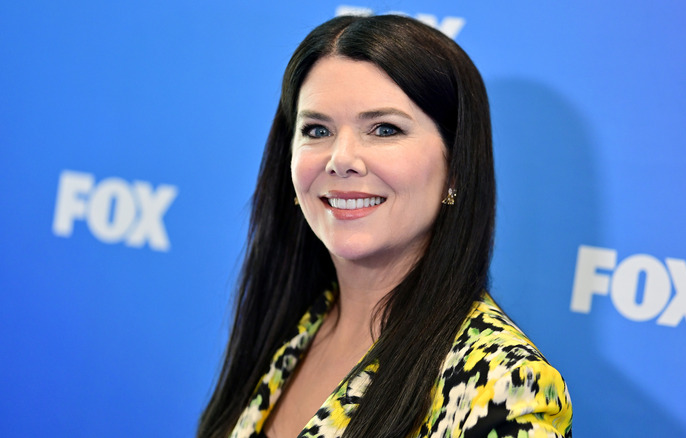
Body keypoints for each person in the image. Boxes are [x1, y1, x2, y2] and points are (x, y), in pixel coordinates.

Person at [198, 14, 572, 438]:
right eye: (317, 129)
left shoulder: (505, 384)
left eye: (384, 129)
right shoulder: (290, 326)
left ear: (455, 169)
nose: (341, 159)